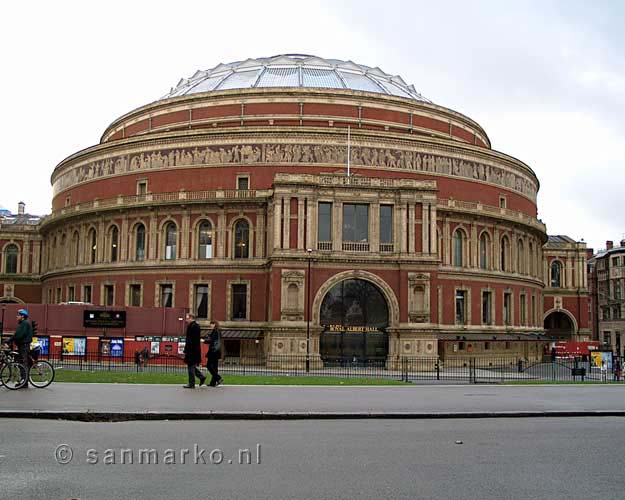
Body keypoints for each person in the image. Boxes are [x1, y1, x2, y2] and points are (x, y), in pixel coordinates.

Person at [182, 313, 205, 389]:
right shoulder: (194, 326)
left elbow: (190, 340)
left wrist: (186, 350)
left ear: (191, 318)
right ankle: (201, 377)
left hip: (192, 350)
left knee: (190, 366)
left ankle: (191, 383)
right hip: (193, 349)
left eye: (187, 318)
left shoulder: (193, 327)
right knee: (191, 366)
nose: (186, 320)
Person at [13, 309, 33, 389]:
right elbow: (17, 334)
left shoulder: (25, 323)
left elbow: (20, 335)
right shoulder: (23, 323)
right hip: (22, 345)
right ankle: (23, 381)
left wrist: (12, 339)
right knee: (21, 363)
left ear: (22, 316)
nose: (16, 316)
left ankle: (24, 382)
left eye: (18, 315)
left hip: (24, 346)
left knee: (24, 364)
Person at [204, 320, 223, 387]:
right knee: (215, 367)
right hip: (216, 352)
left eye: (211, 324)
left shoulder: (216, 331)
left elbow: (212, 341)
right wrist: (208, 336)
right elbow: (212, 339)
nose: (210, 326)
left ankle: (218, 378)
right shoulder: (217, 331)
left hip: (213, 351)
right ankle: (213, 383)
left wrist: (205, 341)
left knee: (209, 366)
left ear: (215, 324)